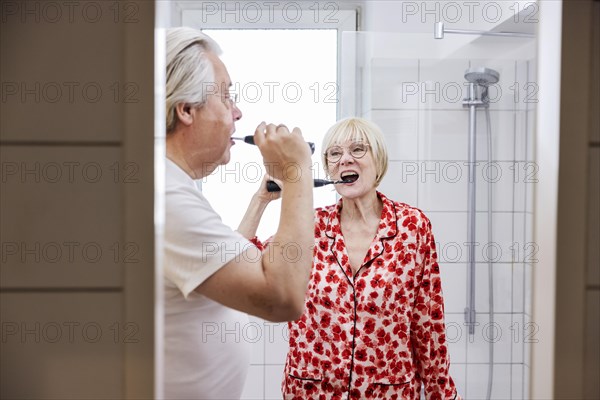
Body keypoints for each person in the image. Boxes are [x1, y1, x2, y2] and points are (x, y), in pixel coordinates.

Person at [163, 27, 314, 400]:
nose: (237, 112)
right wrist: (297, 173)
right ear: (185, 109)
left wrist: (264, 199)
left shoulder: (171, 186)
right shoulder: (166, 197)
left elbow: (237, 262)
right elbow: (282, 297)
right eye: (226, 96)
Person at [279, 117, 461, 399]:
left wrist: (444, 395)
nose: (345, 160)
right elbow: (244, 258)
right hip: (313, 392)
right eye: (335, 154)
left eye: (358, 150)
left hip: (387, 393)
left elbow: (428, 325)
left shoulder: (412, 227)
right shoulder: (309, 225)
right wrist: (261, 199)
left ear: (379, 161)